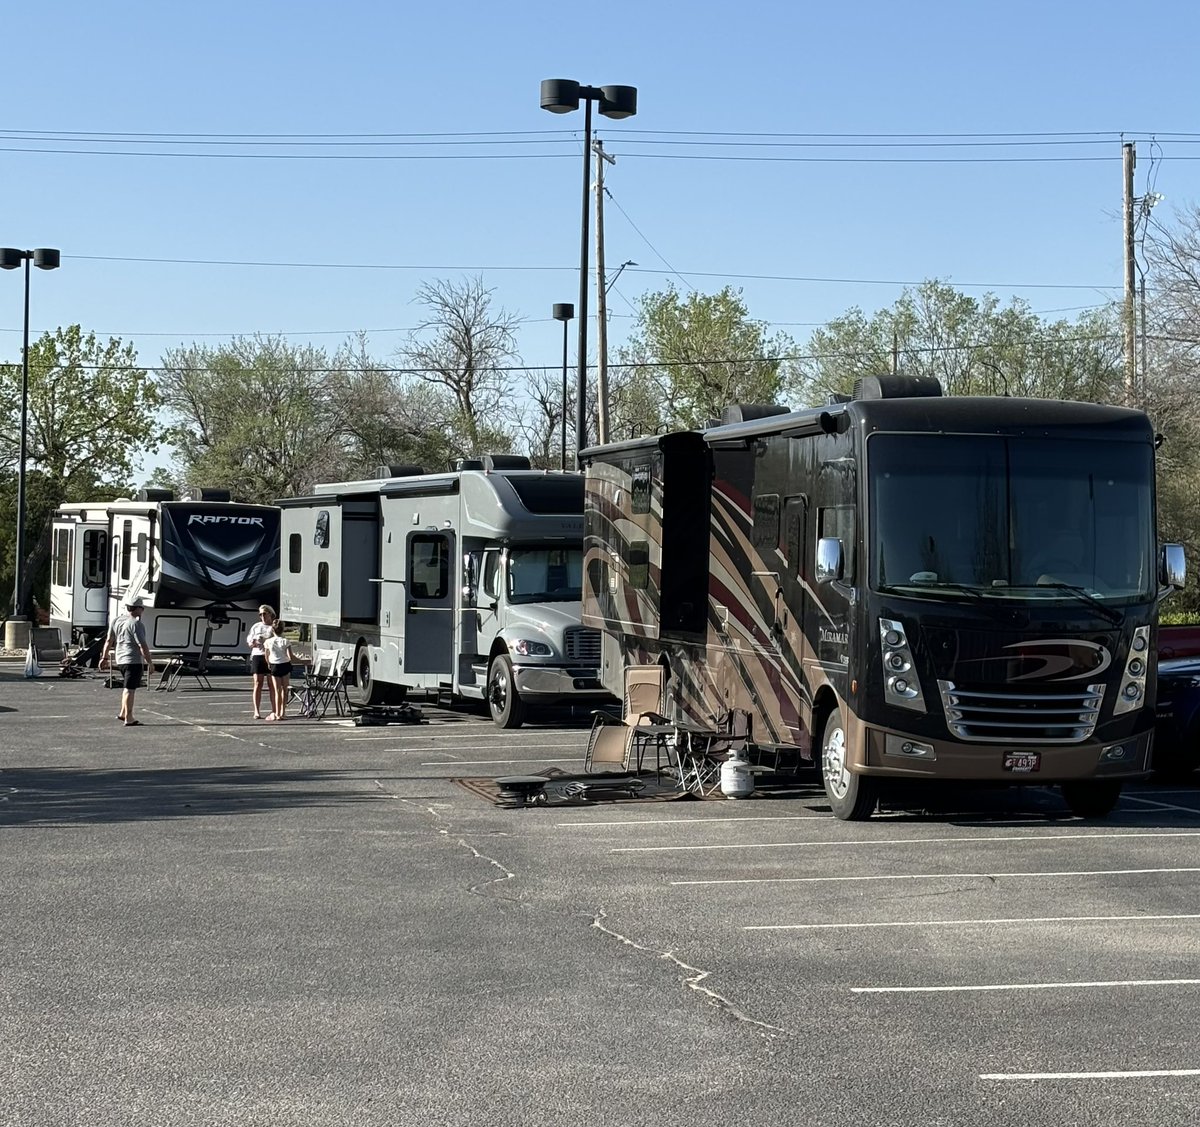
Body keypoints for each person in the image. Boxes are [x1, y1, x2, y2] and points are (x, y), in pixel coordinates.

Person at [98, 596, 155, 727]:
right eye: (142, 608)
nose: (143, 611)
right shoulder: (136, 624)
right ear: (138, 609)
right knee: (130, 689)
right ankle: (129, 717)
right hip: (133, 660)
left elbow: (109, 641)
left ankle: (123, 713)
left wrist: (104, 657)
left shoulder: (116, 620)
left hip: (121, 659)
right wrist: (149, 662)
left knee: (126, 687)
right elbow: (142, 645)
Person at [246, 604, 276, 720]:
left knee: (271, 684)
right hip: (258, 655)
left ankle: (274, 710)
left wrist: (267, 641)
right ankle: (256, 711)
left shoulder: (273, 626)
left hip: (271, 656)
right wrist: (253, 643)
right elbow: (249, 642)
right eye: (260, 614)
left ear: (270, 614)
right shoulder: (256, 626)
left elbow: (278, 639)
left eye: (264, 613)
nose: (262, 616)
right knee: (258, 683)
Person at [262, 620, 295, 721]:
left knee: (277, 690)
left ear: (273, 630)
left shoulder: (268, 642)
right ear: (283, 629)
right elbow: (290, 656)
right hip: (285, 664)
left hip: (274, 665)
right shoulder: (286, 641)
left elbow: (266, 655)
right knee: (285, 690)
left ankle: (276, 713)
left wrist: (268, 663)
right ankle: (282, 712)